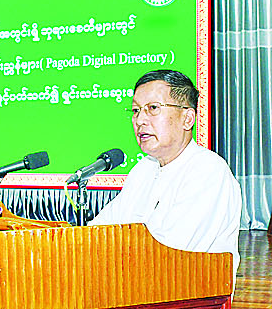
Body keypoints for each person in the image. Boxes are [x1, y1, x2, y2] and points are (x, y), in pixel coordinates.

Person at [91, 69, 242, 268]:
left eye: (153, 108)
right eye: (136, 110)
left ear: (187, 119)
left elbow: (170, 255)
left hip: (185, 285)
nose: (140, 120)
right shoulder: (143, 169)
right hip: (133, 279)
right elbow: (100, 230)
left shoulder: (208, 171)